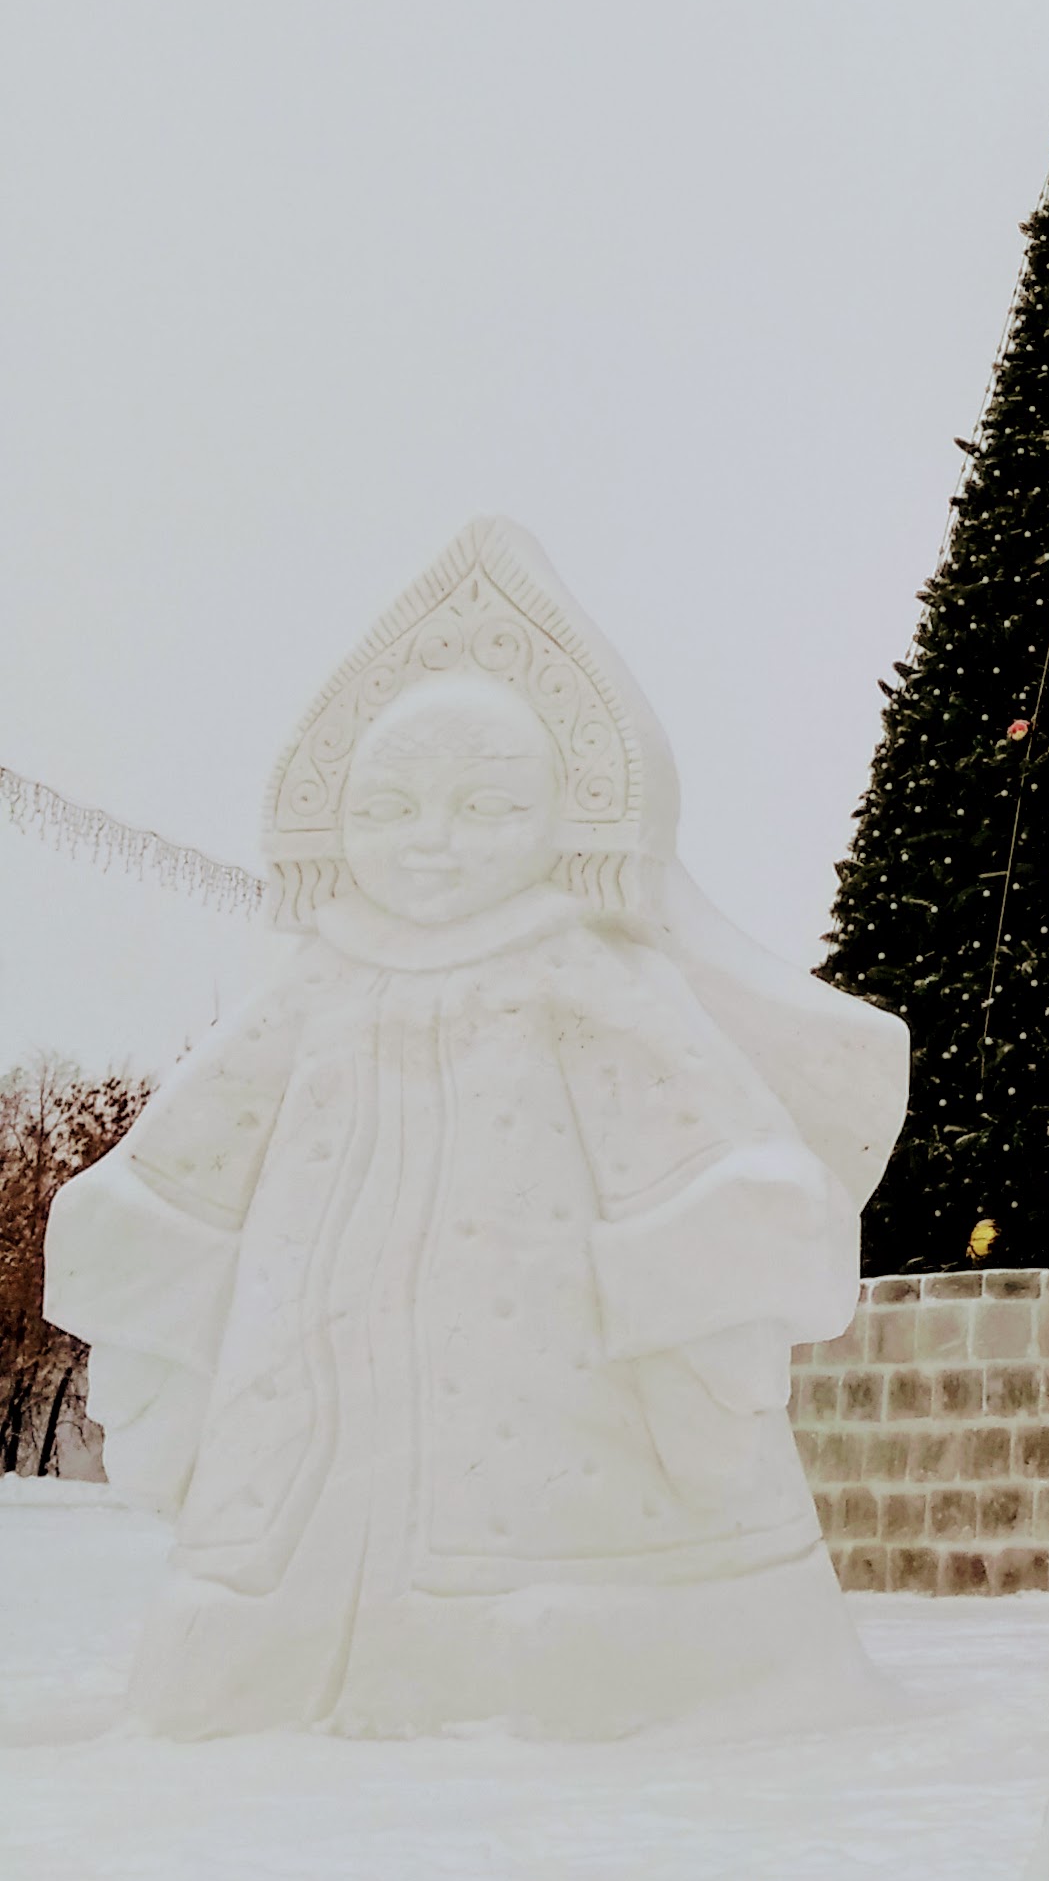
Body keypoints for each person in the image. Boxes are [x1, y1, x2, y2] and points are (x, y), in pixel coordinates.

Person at [46, 519, 906, 1736]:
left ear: (561, 815)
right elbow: (199, 1143)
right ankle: (264, 1638)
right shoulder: (320, 979)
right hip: (306, 1364)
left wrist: (708, 1298)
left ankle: (601, 1625)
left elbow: (687, 1127)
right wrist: (146, 1277)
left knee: (542, 1547)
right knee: (256, 1586)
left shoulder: (577, 967)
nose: (432, 841)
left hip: (541, 1359)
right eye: (392, 807)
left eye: (485, 806)